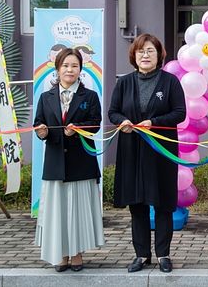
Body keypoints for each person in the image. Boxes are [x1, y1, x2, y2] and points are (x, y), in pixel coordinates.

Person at [108, 34, 186, 273]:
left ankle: (163, 254)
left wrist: (154, 121)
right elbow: (113, 112)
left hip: (161, 151)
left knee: (163, 203)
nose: (145, 55)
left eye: (150, 50)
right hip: (132, 151)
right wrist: (123, 121)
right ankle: (141, 255)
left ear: (159, 55)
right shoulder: (124, 83)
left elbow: (180, 113)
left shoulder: (170, 82)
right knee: (137, 203)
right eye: (141, 51)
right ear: (134, 55)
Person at [33, 47, 104, 272]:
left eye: (74, 66)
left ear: (81, 70)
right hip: (55, 164)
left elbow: (95, 124)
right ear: (57, 69)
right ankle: (61, 254)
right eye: (65, 65)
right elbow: (39, 124)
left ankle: (77, 253)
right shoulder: (46, 98)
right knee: (59, 211)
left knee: (78, 210)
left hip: (81, 163)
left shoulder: (90, 96)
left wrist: (79, 129)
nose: (70, 70)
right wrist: (42, 132)